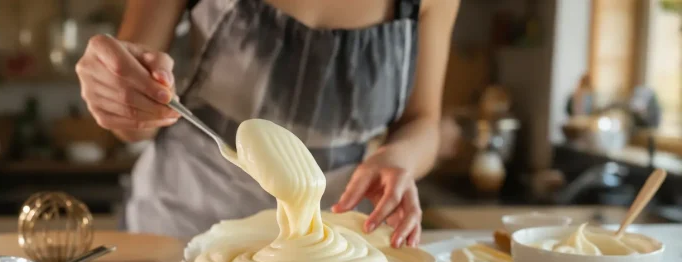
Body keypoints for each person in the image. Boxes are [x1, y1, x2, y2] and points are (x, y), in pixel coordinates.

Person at [76, 0, 459, 248]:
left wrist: (400, 158)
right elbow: (129, 123)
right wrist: (118, 93)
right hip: (186, 224)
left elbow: (423, 121)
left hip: (331, 237)